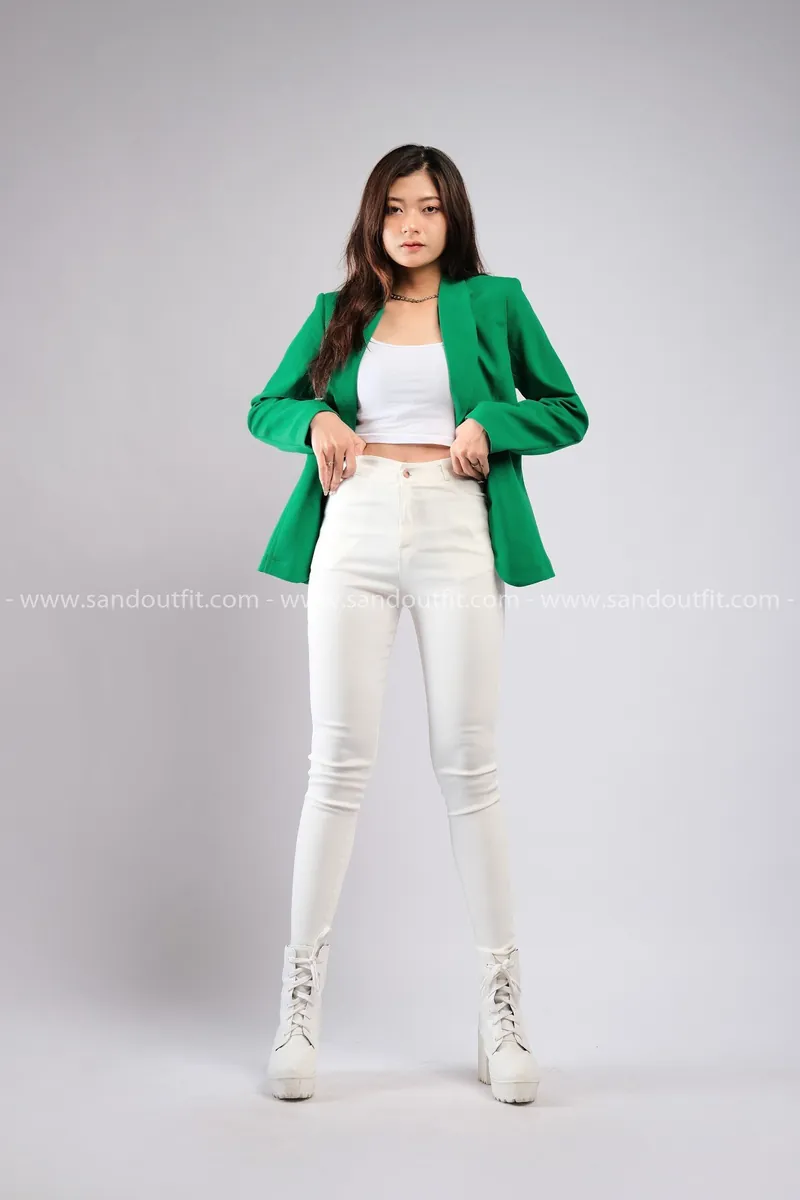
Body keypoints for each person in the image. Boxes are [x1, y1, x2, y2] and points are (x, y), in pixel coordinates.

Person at [246, 144, 588, 1105]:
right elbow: (266, 407)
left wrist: (492, 423)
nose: (411, 223)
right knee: (336, 764)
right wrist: (316, 422)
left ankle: (502, 1018)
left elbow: (567, 409)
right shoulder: (338, 312)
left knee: (469, 764)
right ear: (374, 216)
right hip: (353, 524)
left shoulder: (494, 303)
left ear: (452, 217)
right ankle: (298, 1009)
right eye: (395, 207)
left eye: (430, 207)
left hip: (455, 523)